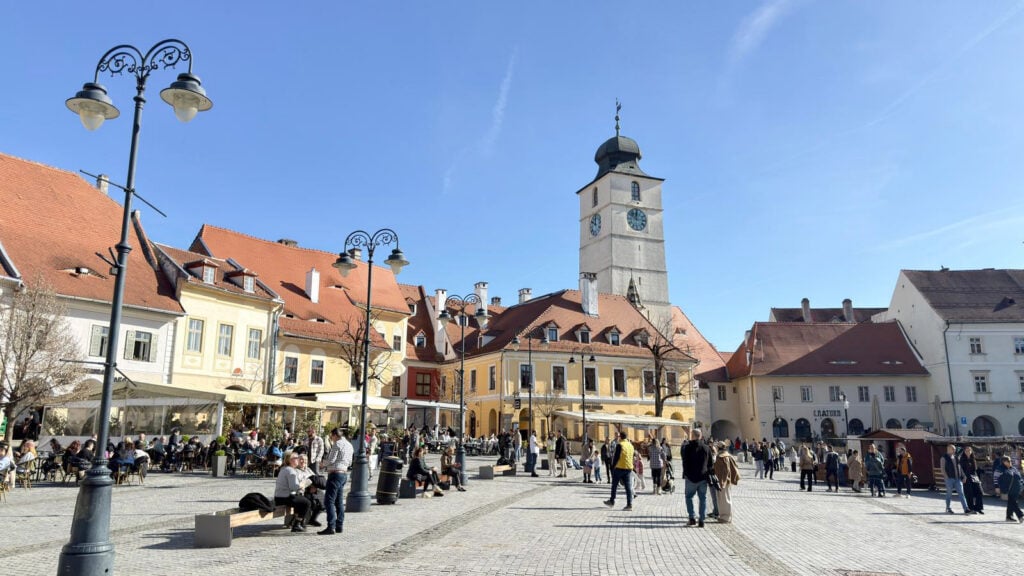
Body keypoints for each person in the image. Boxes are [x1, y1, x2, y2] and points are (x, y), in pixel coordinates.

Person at [319, 427, 353, 535]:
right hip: (343, 474)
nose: (331, 439)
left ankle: (331, 526)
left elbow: (331, 460)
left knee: (329, 501)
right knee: (339, 501)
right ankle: (339, 525)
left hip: (335, 474)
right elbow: (350, 462)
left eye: (331, 436)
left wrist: (322, 464)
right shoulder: (349, 445)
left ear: (334, 435)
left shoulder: (337, 444)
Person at [681, 428, 712, 527]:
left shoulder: (687, 447)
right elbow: (710, 464)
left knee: (689, 497)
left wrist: (686, 474)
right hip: (703, 477)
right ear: (701, 436)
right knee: (703, 498)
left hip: (690, 477)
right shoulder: (706, 448)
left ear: (693, 435)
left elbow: (684, 462)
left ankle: (692, 518)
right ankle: (702, 520)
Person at [274, 453, 312, 532]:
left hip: (280, 496)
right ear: (290, 460)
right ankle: (297, 524)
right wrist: (304, 483)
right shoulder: (291, 471)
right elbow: (294, 487)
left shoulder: (285, 469)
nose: (298, 459)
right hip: (284, 497)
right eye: (296, 458)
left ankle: (296, 522)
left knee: (301, 500)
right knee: (307, 503)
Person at [603, 431, 635, 511]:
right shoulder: (631, 445)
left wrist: (613, 467)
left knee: (614, 485)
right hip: (628, 468)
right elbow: (632, 456)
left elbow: (616, 457)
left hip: (619, 467)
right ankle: (629, 504)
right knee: (628, 487)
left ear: (620, 437)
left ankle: (612, 501)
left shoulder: (620, 445)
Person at [713, 441, 741, 523]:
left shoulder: (721, 457)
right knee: (726, 498)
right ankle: (725, 516)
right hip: (726, 481)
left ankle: (725, 517)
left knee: (724, 499)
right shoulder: (729, 456)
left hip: (722, 481)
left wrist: (722, 481)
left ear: (718, 448)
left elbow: (724, 471)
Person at [940, 444, 970, 514]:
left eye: (955, 449)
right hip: (949, 479)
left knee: (962, 494)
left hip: (958, 479)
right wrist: (947, 477)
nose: (954, 450)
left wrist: (964, 476)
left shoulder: (956, 457)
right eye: (953, 449)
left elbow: (960, 468)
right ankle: (948, 508)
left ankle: (966, 509)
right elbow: (943, 469)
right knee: (949, 494)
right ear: (948, 449)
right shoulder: (944, 458)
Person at [997, 455, 1023, 523]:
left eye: (1010, 460)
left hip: (1016, 489)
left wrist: (1021, 484)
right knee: (1013, 502)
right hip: (1007, 489)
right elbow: (995, 478)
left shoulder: (1013, 468)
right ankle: (1020, 515)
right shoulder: (1000, 469)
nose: (1010, 462)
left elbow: (1019, 477)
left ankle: (1009, 516)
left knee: (1011, 502)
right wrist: (997, 487)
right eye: (1008, 461)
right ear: (1003, 462)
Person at [960, 446, 984, 515]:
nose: (968, 452)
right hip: (966, 478)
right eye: (967, 450)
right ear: (964, 451)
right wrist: (963, 477)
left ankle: (978, 508)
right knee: (969, 494)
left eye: (969, 450)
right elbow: (961, 470)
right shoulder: (962, 460)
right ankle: (971, 508)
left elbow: (975, 470)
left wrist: (978, 478)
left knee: (979, 492)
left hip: (974, 477)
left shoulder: (973, 459)